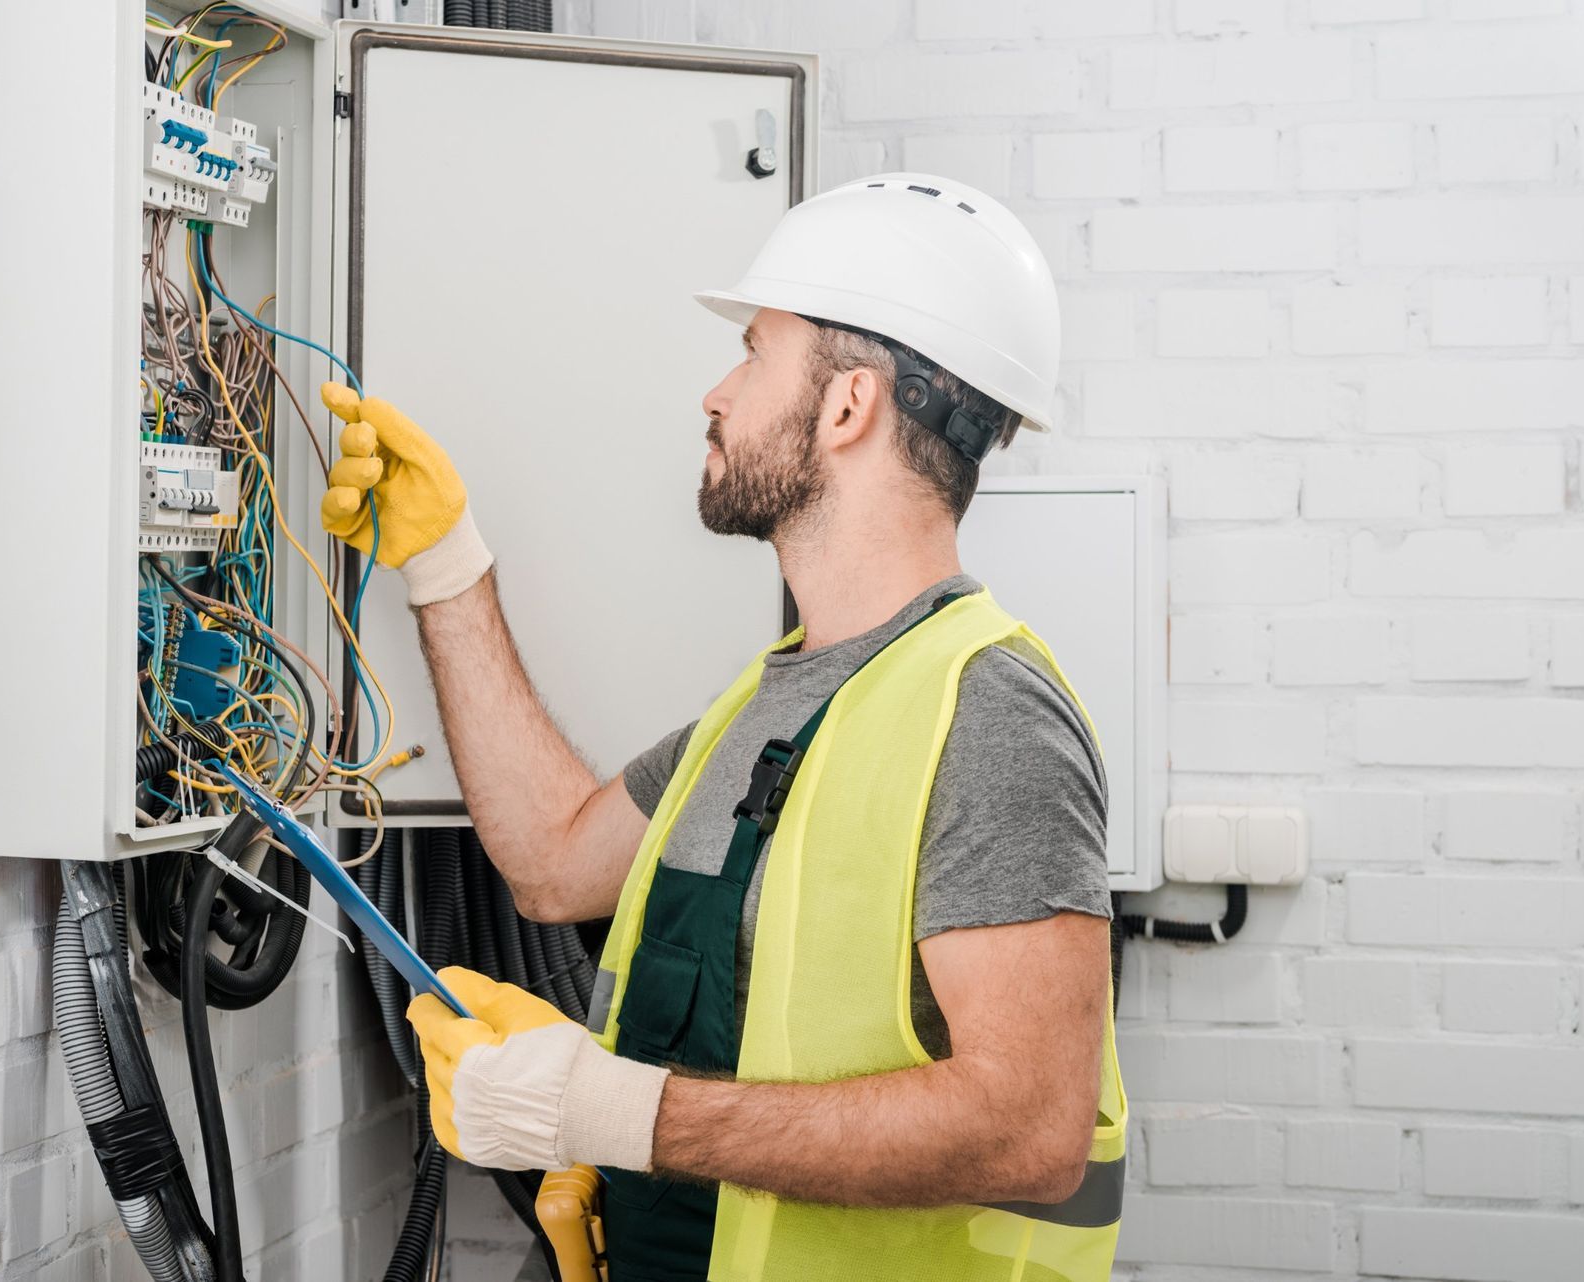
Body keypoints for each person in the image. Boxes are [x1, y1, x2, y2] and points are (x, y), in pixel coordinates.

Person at [318, 172, 1126, 1282]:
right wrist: (447, 564)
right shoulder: (766, 703)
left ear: (847, 407)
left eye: (753, 353)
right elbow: (555, 859)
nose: (716, 391)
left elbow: (1030, 1131)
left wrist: (607, 1109)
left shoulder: (988, 711)